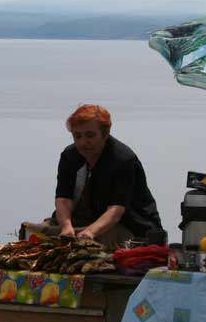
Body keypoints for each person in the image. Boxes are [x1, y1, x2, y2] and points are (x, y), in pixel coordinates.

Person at [45, 104, 162, 249]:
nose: (83, 142)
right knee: (40, 234)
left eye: (90, 135)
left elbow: (116, 211)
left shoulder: (123, 160)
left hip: (129, 227)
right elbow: (63, 198)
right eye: (77, 136)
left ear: (105, 134)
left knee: (99, 240)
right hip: (84, 222)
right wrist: (66, 227)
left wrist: (90, 233)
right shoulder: (69, 156)